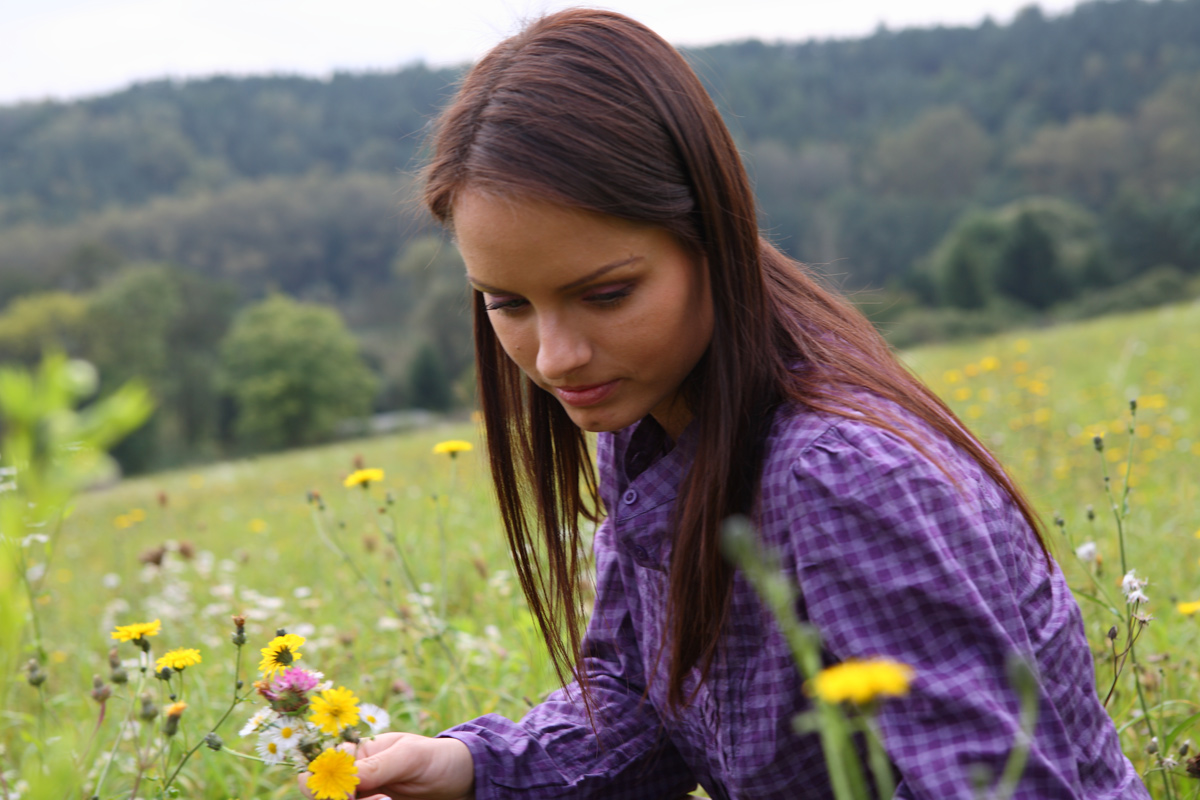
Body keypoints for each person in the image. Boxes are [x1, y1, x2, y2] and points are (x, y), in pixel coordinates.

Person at [312, 9, 1149, 799]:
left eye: (605, 294)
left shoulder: (838, 476)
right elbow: (648, 709)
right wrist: (468, 768)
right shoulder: (647, 418)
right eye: (508, 304)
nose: (556, 357)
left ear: (710, 235)